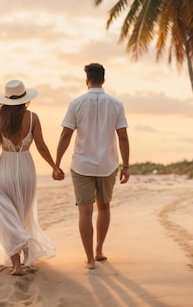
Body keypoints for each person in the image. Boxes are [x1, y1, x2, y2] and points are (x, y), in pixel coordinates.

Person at [0, 79, 62, 276]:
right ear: (25, 99)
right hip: (25, 169)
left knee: (6, 218)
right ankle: (24, 251)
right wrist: (54, 166)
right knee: (22, 214)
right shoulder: (32, 118)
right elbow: (41, 146)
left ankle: (16, 264)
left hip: (5, 168)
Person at [55, 63, 130, 269]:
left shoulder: (76, 103)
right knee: (104, 207)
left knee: (85, 212)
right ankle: (99, 250)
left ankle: (89, 259)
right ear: (103, 80)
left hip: (81, 165)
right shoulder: (116, 104)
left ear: (86, 80)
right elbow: (122, 136)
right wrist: (126, 166)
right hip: (108, 164)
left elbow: (66, 134)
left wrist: (56, 163)